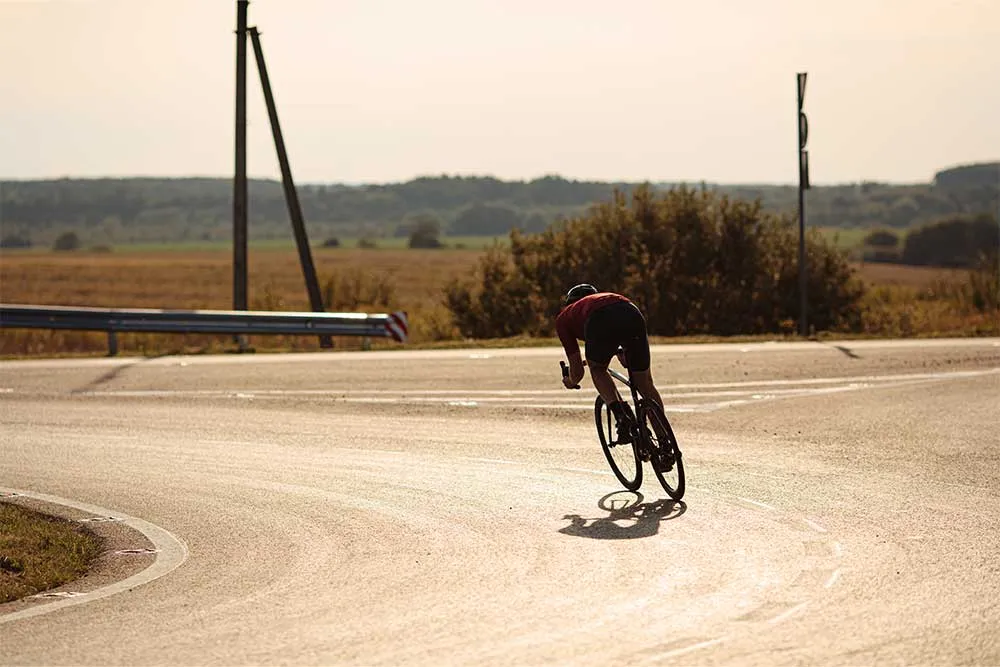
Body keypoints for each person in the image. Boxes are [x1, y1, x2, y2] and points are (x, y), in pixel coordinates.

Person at [556, 284, 664, 443]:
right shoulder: (602, 299)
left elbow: (577, 372)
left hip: (599, 320)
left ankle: (623, 418)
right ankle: (665, 441)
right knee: (644, 382)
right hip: (629, 310)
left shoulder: (564, 317)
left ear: (568, 303)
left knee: (598, 369)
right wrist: (622, 352)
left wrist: (570, 381)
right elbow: (616, 329)